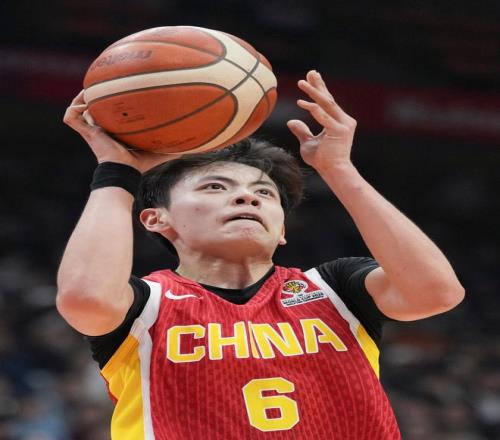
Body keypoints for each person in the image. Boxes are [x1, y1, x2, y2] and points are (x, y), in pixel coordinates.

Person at [57, 70, 464, 439]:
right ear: (156, 219)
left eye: (264, 193)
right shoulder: (147, 305)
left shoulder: (335, 289)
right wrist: (116, 172)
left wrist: (339, 169)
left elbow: (436, 293)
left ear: (282, 229)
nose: (246, 196)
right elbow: (84, 299)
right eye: (215, 187)